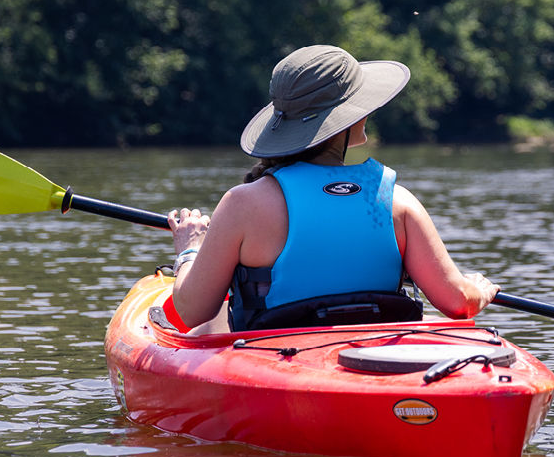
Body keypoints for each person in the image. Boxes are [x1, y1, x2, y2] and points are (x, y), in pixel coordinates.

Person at [164, 45, 498, 334]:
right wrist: (479, 291)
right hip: (373, 361)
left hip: (275, 361)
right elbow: (458, 303)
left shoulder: (243, 205)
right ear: (351, 119)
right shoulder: (397, 202)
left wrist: (189, 251)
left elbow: (192, 311)